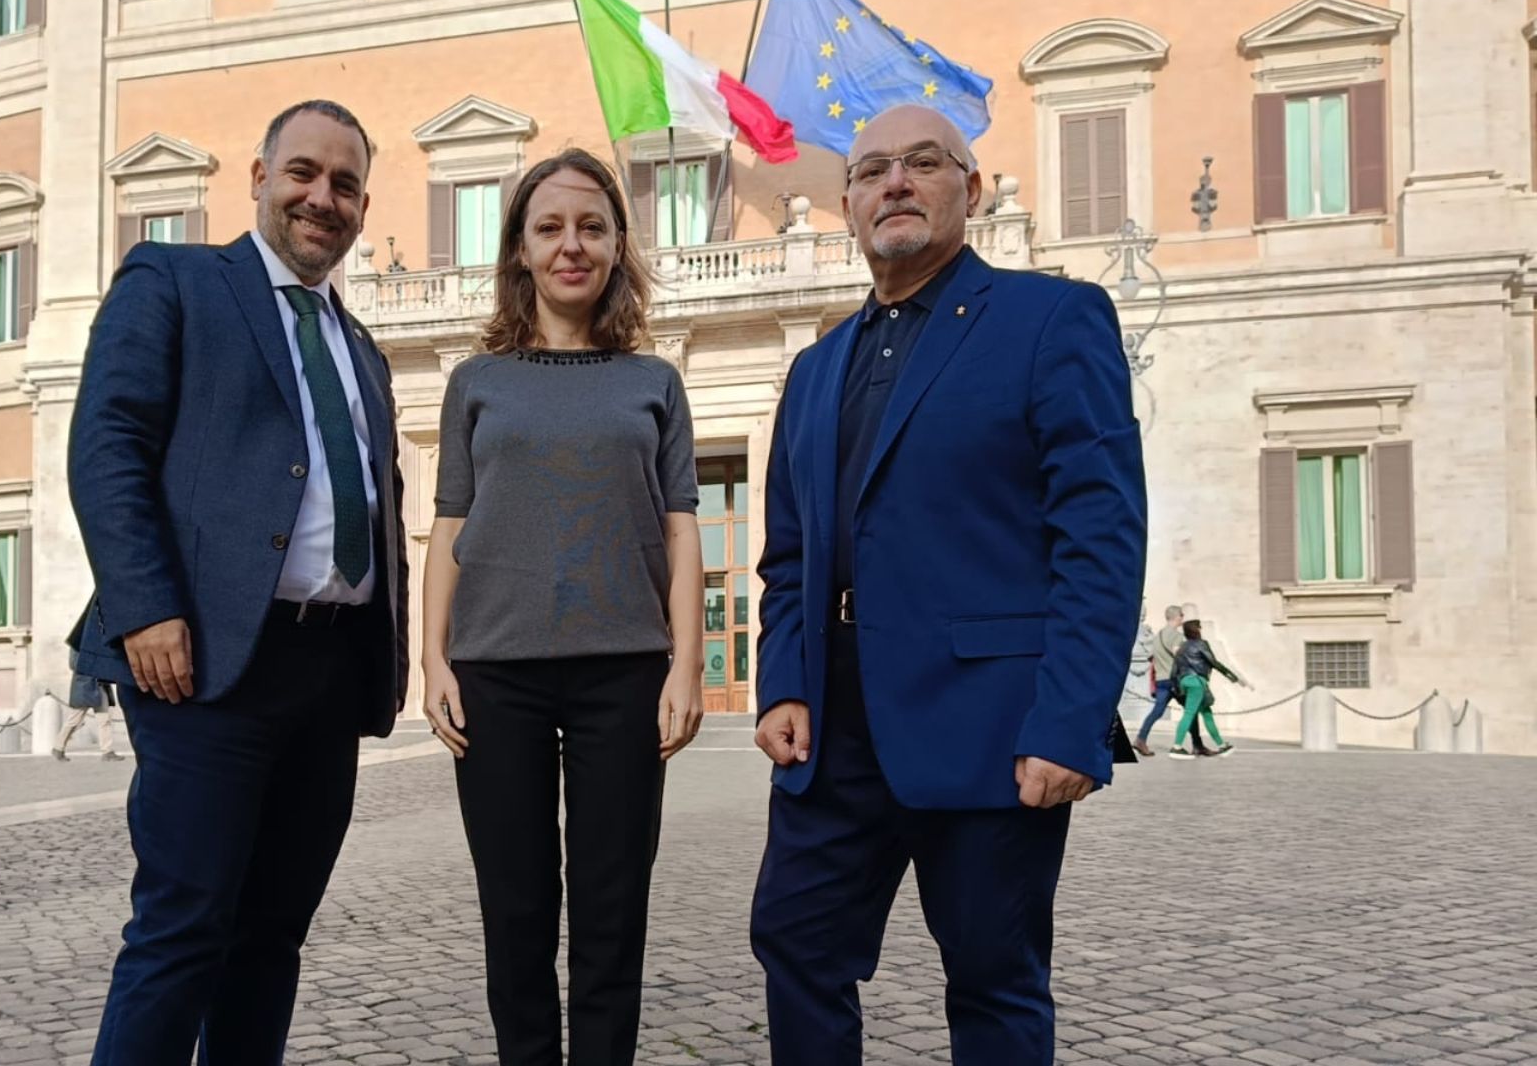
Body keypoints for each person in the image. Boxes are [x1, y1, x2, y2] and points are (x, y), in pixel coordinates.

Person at [748, 104, 1147, 1065]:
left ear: (969, 189)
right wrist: (783, 679)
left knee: (993, 979)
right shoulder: (814, 370)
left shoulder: (1051, 319)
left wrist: (1069, 723)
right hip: (833, 729)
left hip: (989, 725)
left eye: (922, 162)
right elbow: (789, 554)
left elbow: (1100, 537)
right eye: (871, 170)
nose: (895, 182)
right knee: (795, 943)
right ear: (848, 204)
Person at [67, 99, 408, 1066]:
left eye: (345, 184)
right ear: (258, 178)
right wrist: (146, 608)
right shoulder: (174, 280)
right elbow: (107, 446)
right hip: (203, 661)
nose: (322, 198)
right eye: (303, 173)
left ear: (364, 205)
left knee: (271, 940)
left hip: (327, 673)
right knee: (182, 930)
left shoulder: (362, 349)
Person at [421, 148, 704, 1066]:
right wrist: (432, 660)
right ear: (521, 249)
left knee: (613, 911)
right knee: (515, 911)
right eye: (549, 228)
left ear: (619, 245)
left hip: (625, 672)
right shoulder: (476, 382)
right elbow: (448, 524)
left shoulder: (654, 382)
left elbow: (681, 529)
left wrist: (688, 665)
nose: (571, 245)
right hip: (494, 674)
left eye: (591, 227)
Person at [1135, 604, 1209, 757]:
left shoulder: (1158, 636)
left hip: (1161, 680)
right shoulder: (1176, 636)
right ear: (1177, 617)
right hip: (1174, 680)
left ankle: (1140, 739)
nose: (1183, 618)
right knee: (1191, 710)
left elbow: (1150, 656)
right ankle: (1197, 745)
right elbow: (1179, 655)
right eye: (1182, 615)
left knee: (1157, 711)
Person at [1169, 617, 1249, 759]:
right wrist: (1234, 678)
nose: (1201, 629)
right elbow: (1214, 663)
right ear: (1197, 630)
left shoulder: (1182, 647)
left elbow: (1175, 669)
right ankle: (1176, 747)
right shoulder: (1201, 644)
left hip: (1185, 681)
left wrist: (1176, 687)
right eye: (1199, 627)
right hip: (1196, 682)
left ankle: (1222, 745)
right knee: (1189, 714)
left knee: (1207, 713)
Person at [55, 652, 124, 762]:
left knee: (105, 719)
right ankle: (58, 747)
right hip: (85, 686)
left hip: (100, 686)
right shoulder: (77, 643)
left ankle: (107, 751)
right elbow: (73, 664)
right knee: (75, 719)